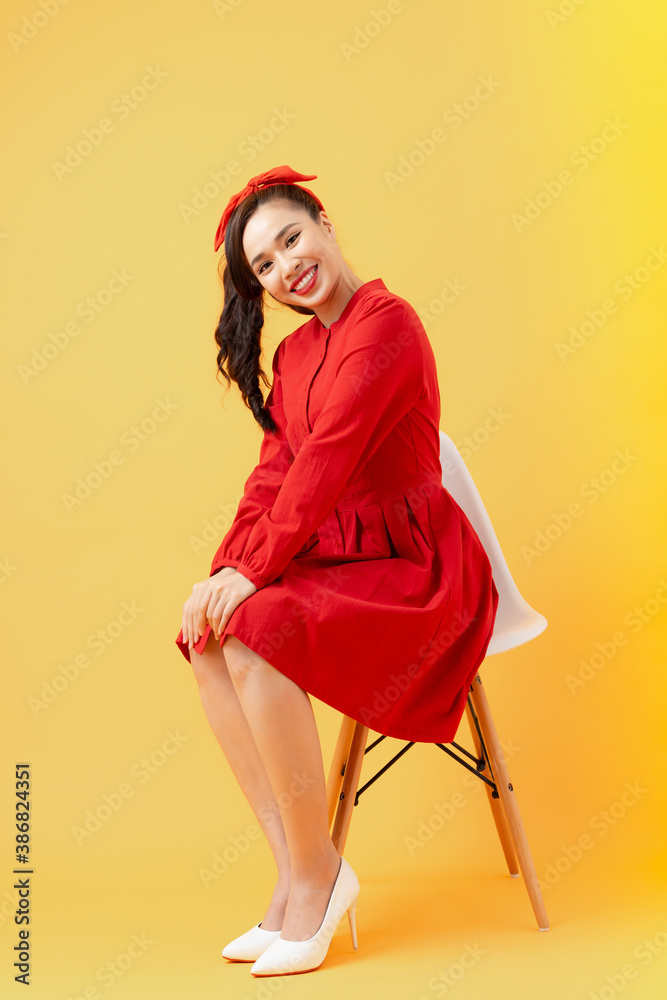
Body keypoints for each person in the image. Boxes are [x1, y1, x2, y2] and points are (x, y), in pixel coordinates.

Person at [175, 165, 499, 977]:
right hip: (340, 552)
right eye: (267, 265)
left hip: (418, 570)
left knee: (256, 625)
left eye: (291, 238)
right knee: (210, 633)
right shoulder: (294, 356)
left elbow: (325, 462)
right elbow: (274, 476)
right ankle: (297, 873)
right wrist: (220, 572)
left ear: (322, 221)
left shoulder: (386, 325)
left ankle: (316, 874)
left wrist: (251, 578)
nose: (288, 267)